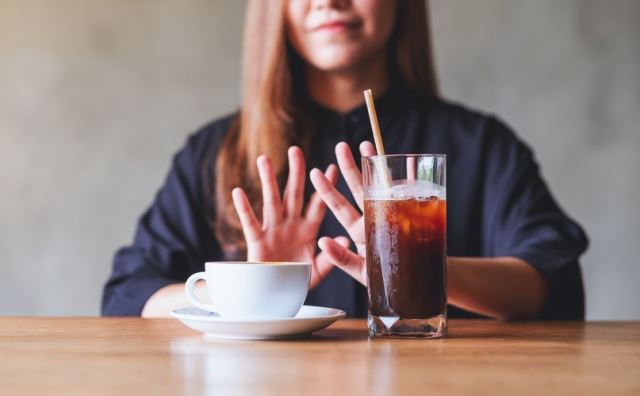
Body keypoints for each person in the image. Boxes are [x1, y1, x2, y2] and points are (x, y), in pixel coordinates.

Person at [102, 0, 588, 320]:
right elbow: (130, 298)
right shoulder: (214, 153)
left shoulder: (481, 145)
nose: (329, 1)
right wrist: (251, 288)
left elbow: (553, 286)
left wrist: (419, 268)